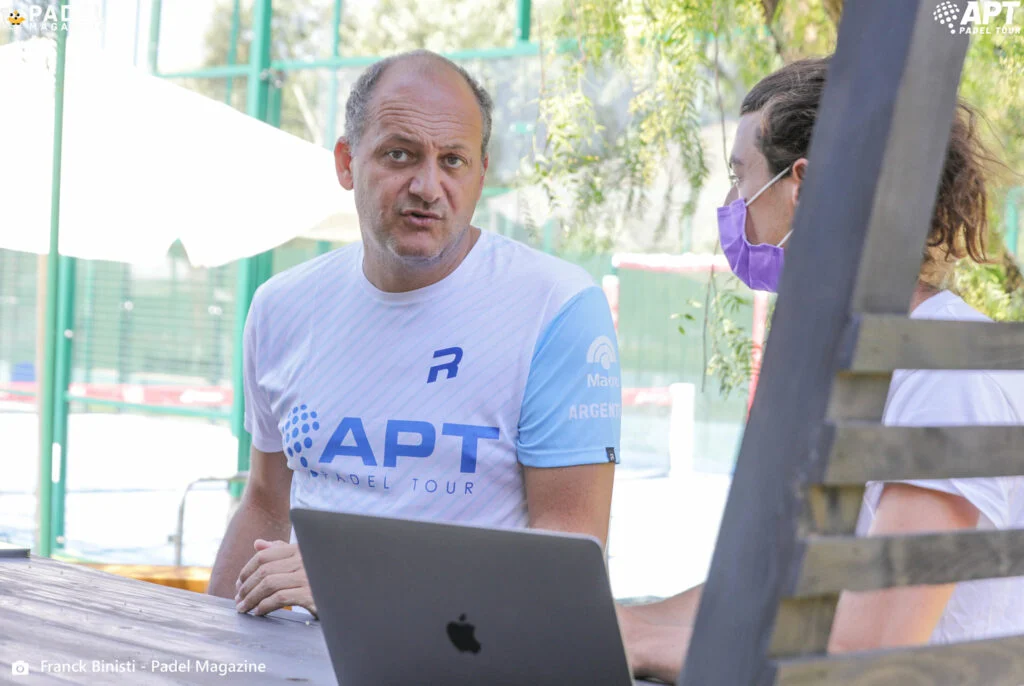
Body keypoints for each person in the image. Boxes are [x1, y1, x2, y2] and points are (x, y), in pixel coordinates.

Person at [619, 56, 1024, 682]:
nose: (731, 205)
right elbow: (771, 592)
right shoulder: (848, 362)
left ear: (802, 186)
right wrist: (622, 622)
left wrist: (646, 648)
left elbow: (869, 649)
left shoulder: (946, 369)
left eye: (739, 175)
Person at [208, 50, 622, 617]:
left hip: (461, 651)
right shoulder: (281, 307)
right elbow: (264, 504)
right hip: (291, 650)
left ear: (481, 174)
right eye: (400, 154)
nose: (428, 186)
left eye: (453, 161)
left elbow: (568, 558)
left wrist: (354, 583)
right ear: (346, 162)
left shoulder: (555, 308)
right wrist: (207, 641)